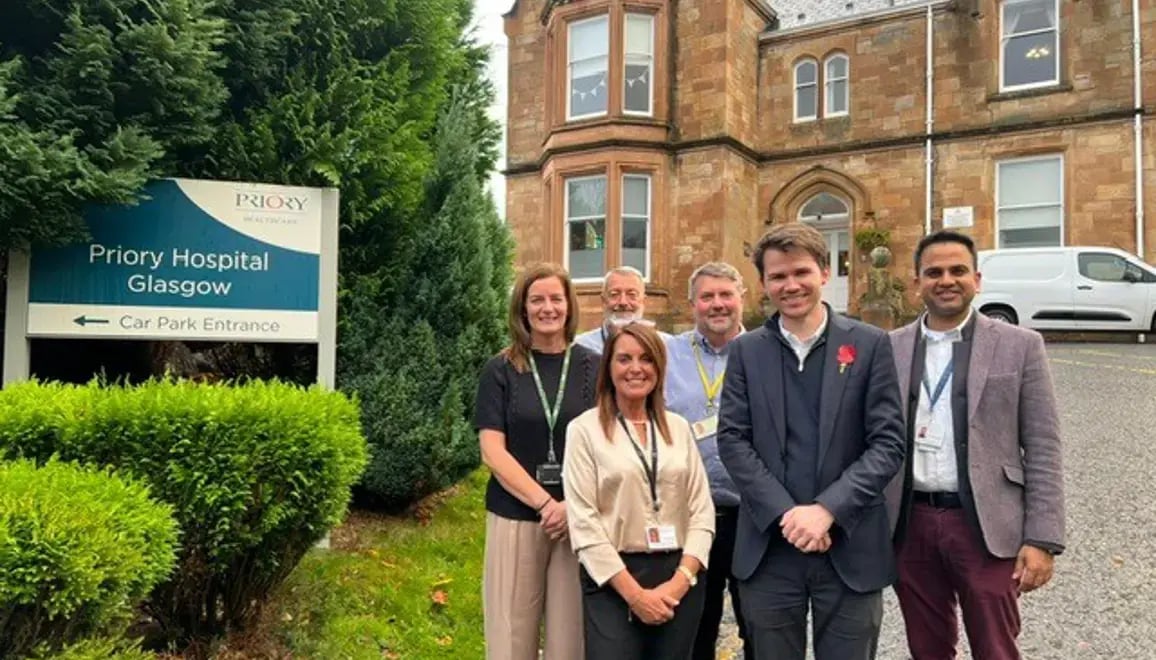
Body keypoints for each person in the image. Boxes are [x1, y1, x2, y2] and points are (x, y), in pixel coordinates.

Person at [716, 222, 906, 660]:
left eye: (801, 272)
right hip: (770, 548)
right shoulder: (747, 351)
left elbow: (888, 442)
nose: (791, 285)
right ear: (763, 284)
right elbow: (733, 440)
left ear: (824, 271)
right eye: (778, 276)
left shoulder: (871, 344)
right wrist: (789, 516)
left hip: (849, 546)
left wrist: (826, 511)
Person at [884, 230, 1065, 660]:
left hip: (985, 525)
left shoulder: (1021, 346)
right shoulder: (889, 347)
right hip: (911, 524)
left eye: (957, 270)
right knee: (927, 647)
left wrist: (1042, 538)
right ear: (917, 283)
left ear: (977, 280)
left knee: (995, 647)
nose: (946, 280)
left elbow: (1043, 444)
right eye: (934, 272)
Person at [563, 322, 715, 659]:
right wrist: (635, 596)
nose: (636, 368)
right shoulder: (584, 431)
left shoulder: (678, 428)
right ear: (609, 367)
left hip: (679, 575)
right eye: (624, 359)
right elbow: (583, 521)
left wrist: (680, 580)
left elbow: (702, 513)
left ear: (659, 369)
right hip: (614, 579)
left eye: (646, 359)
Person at [474, 262, 601, 660]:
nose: (547, 308)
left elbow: (606, 443)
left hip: (578, 518)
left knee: (571, 639)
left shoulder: (594, 366)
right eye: (537, 299)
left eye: (555, 299)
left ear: (569, 305)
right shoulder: (501, 369)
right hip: (516, 514)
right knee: (511, 634)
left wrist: (570, 507)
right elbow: (492, 450)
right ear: (522, 308)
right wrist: (546, 504)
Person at [663, 261, 753, 660]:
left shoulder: (766, 352)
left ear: (742, 299)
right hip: (684, 515)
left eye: (725, 295)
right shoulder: (666, 354)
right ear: (692, 303)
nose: (717, 304)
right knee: (693, 629)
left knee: (759, 627)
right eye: (707, 296)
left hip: (751, 515)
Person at [575, 266, 671, 353]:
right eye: (614, 294)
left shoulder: (666, 346)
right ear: (603, 301)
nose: (623, 302)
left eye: (632, 294)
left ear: (643, 301)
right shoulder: (580, 347)